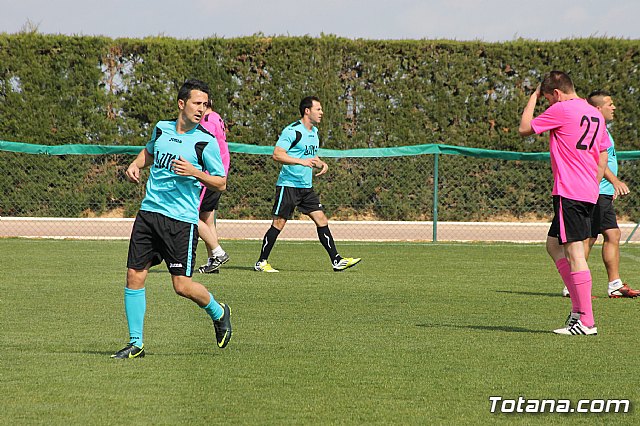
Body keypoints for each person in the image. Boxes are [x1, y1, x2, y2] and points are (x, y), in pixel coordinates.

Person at [112, 79, 232, 359]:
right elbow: (149, 152)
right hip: (149, 213)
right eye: (196, 103)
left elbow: (221, 182)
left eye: (205, 104)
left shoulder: (206, 141)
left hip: (180, 222)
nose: (202, 109)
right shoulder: (161, 128)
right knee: (134, 276)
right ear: (182, 104)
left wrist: (195, 172)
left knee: (182, 286)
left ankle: (219, 311)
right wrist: (135, 164)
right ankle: (136, 343)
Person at [519, 71, 610, 336]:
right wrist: (591, 183)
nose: (548, 104)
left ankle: (586, 320)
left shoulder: (562, 109)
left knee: (574, 253)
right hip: (586, 190)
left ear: (556, 94)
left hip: (570, 191)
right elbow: (602, 155)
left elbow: (525, 128)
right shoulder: (594, 112)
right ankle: (578, 310)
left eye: (548, 98)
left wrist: (533, 97)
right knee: (553, 246)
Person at [254, 96, 361, 273]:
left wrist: (321, 164)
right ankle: (261, 262)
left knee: (321, 220)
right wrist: (299, 162)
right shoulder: (292, 131)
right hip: (288, 185)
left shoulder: (314, 132)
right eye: (318, 109)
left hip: (306, 187)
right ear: (307, 111)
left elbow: (312, 157)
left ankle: (336, 260)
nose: (321, 112)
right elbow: (277, 154)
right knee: (279, 223)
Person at [582, 90, 639, 298]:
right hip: (595, 191)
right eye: (610, 104)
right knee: (589, 238)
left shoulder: (603, 129)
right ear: (598, 108)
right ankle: (574, 286)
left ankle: (614, 284)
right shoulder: (596, 129)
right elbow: (597, 160)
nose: (613, 107)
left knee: (610, 234)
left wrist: (610, 187)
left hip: (603, 192)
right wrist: (614, 181)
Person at [197, 100, 231, 274]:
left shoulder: (208, 120)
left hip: (210, 175)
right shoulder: (216, 117)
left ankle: (218, 252)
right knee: (208, 219)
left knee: (190, 214)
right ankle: (213, 262)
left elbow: (202, 144)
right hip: (218, 173)